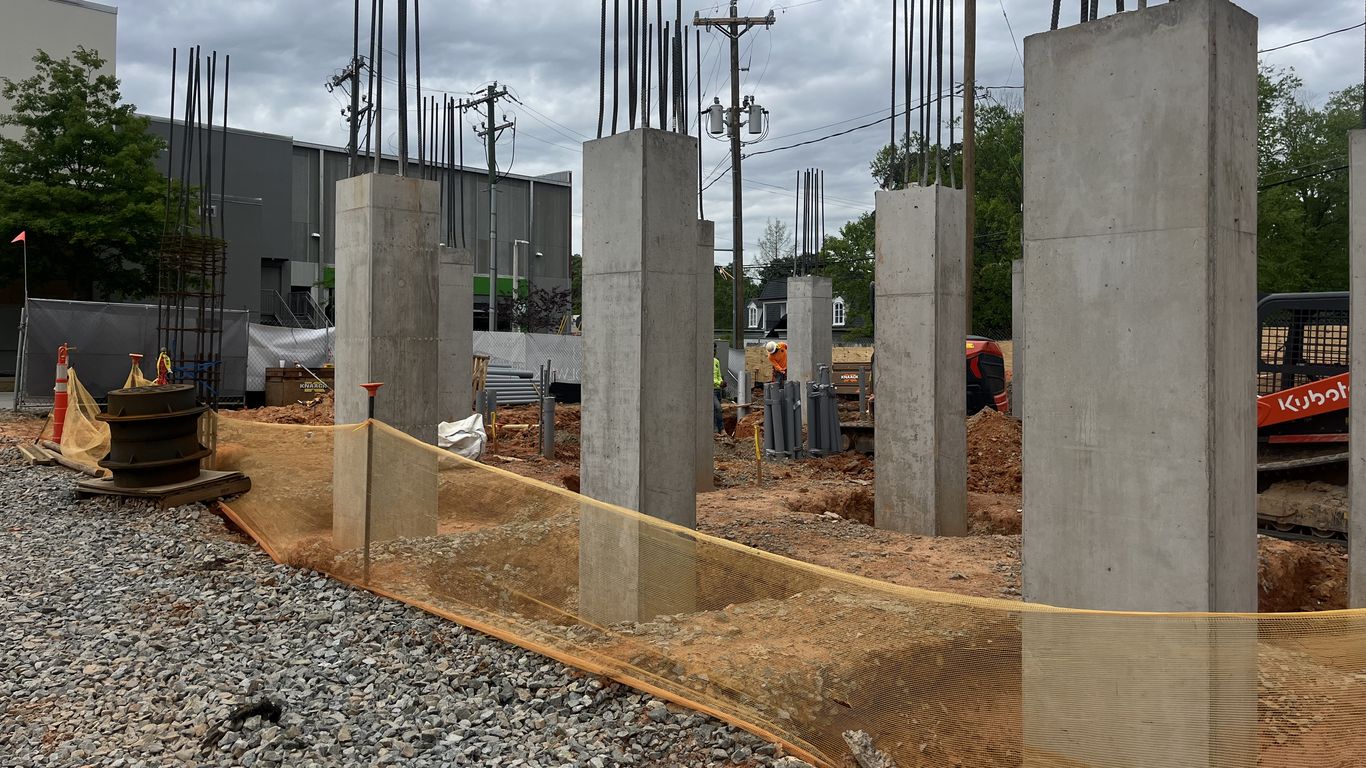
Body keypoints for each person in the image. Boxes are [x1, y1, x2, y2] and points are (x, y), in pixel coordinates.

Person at [713, 356, 725, 435]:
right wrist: (718, 383)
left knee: (717, 410)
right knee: (718, 408)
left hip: (718, 390)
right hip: (711, 389)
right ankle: (720, 429)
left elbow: (719, 375)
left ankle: (717, 430)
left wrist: (721, 381)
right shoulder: (705, 361)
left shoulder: (716, 361)